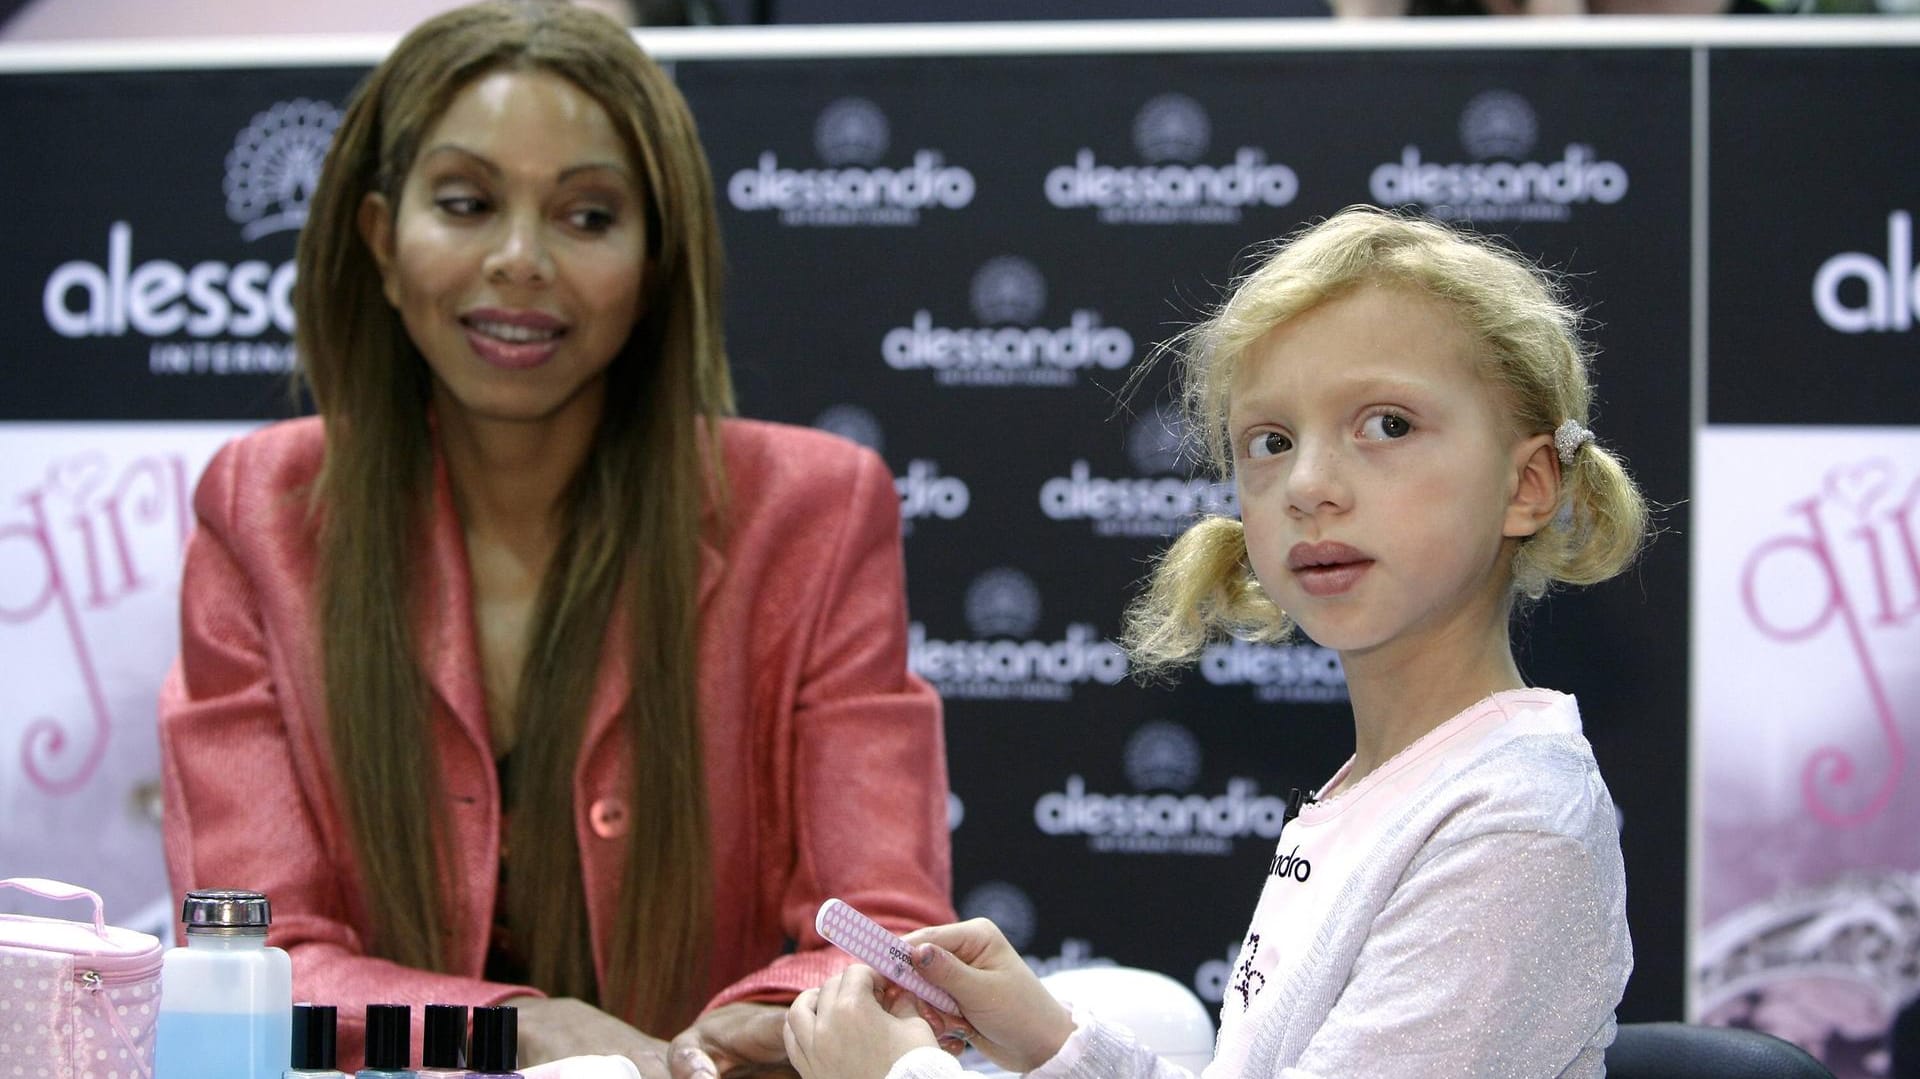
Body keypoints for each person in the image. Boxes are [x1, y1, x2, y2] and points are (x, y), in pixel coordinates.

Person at [157, 2, 953, 1075]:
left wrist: (730, 1035)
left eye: (586, 217)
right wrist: (528, 1024)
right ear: (382, 242)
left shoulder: (816, 507)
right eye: (467, 202)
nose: (521, 260)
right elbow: (255, 948)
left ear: (656, 262)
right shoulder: (261, 506)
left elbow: (881, 930)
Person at [782, 205, 1648, 1078]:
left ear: (1528, 483)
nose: (1308, 486)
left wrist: (897, 1075)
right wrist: (1050, 1041)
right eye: (1269, 441)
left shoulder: (1513, 827)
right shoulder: (1401, 786)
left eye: (1387, 424)